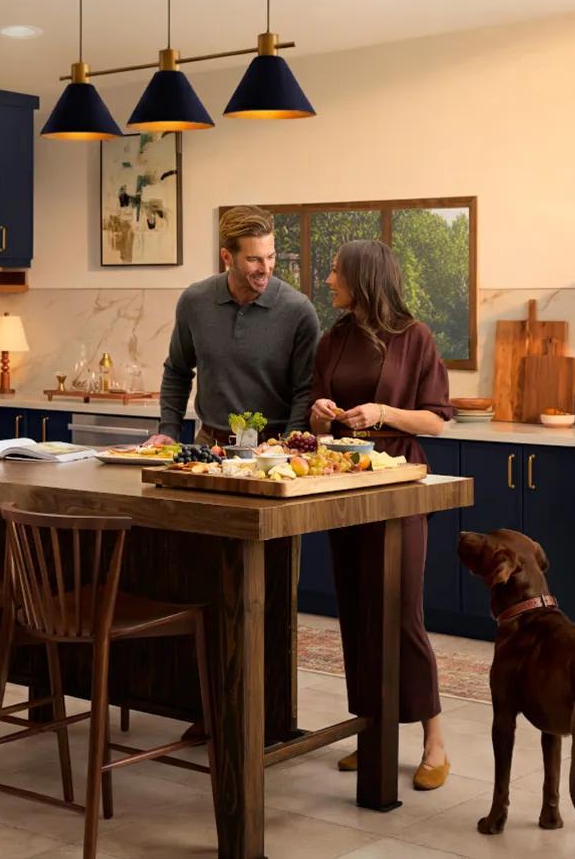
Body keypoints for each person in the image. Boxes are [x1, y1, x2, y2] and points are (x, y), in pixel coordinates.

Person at [309, 239, 456, 791]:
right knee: (357, 609)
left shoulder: (415, 338)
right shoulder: (334, 338)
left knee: (400, 612)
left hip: (398, 485)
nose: (328, 280)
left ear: (364, 279)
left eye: (336, 272)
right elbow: (317, 408)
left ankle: (434, 741)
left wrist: (384, 412)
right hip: (344, 486)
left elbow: (438, 419)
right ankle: (372, 732)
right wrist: (322, 413)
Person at [147, 205, 320, 447]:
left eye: (270, 257)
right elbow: (178, 371)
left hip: (272, 449)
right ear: (227, 257)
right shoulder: (195, 301)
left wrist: (288, 447)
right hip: (209, 445)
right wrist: (169, 430)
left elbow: (305, 389)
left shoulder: (299, 310)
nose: (266, 268)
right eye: (253, 259)